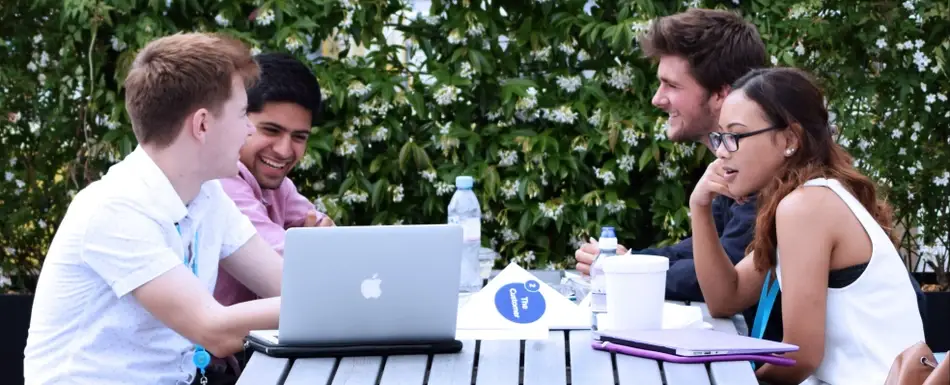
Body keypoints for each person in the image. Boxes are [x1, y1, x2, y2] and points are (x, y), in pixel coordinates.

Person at [23, 33, 283, 385]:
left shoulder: (209, 196)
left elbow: (284, 284)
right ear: (202, 124)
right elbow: (214, 330)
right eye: (241, 115)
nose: (249, 129)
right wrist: (330, 306)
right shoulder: (114, 209)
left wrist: (344, 298)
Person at [690, 67, 925, 384]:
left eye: (735, 136)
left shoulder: (806, 207)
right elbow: (725, 298)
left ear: (790, 138)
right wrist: (700, 206)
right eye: (721, 136)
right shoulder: (812, 197)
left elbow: (801, 356)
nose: (720, 151)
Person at [574, 8, 768, 302]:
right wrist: (631, 262)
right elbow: (697, 251)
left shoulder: (764, 168)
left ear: (720, 95)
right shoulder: (731, 160)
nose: (657, 98)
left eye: (672, 85)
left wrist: (626, 272)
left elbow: (719, 272)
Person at [214, 52, 334, 309]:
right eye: (271, 130)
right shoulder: (220, 180)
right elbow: (284, 266)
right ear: (238, 119)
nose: (284, 150)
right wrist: (314, 250)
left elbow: (328, 237)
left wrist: (316, 247)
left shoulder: (280, 188)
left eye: (299, 137)